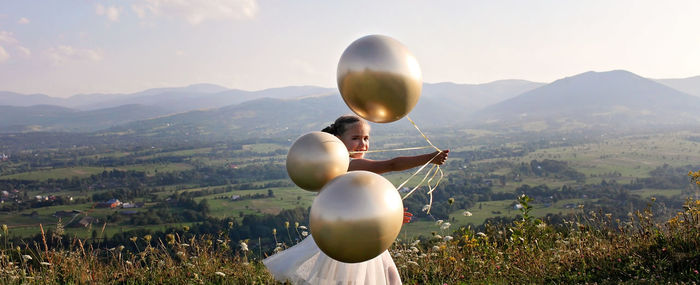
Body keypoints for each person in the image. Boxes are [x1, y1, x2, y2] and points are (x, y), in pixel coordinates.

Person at [264, 115, 449, 285]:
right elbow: (391, 164)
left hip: (358, 235)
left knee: (386, 276)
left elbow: (361, 204)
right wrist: (429, 158)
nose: (363, 144)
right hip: (351, 239)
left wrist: (389, 218)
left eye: (366, 138)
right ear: (337, 141)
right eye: (355, 138)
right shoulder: (350, 164)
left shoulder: (332, 165)